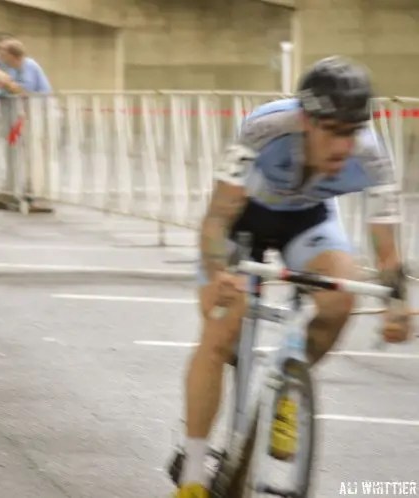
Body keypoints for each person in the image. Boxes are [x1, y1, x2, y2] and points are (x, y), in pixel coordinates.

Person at [173, 56, 412, 498]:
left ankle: (285, 392)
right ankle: (191, 474)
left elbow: (389, 253)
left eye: (353, 130)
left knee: (342, 297)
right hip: (243, 219)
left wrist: (398, 306)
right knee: (220, 328)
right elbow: (214, 221)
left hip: (307, 221)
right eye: (333, 131)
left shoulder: (374, 157)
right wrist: (218, 272)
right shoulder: (264, 129)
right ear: (306, 121)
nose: (344, 145)